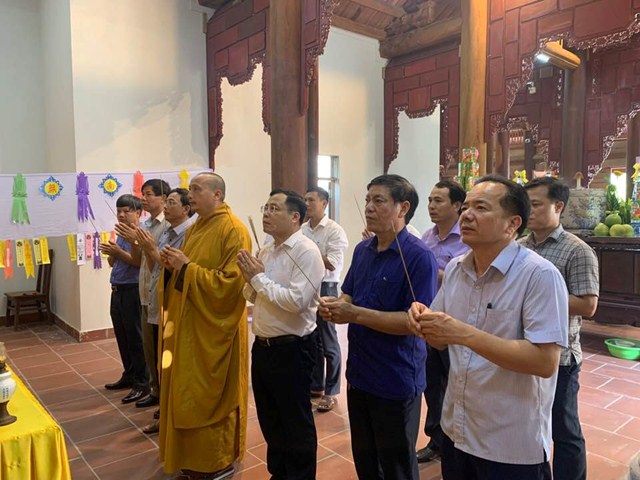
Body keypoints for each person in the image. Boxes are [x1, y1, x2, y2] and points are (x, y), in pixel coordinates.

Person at [409, 175, 569, 480]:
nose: (467, 215)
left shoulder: (539, 275)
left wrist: (461, 333)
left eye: (481, 208)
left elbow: (544, 361)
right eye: (466, 207)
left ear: (512, 224)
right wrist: (422, 319)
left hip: (508, 442)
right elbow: (440, 339)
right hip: (457, 430)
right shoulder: (456, 268)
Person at [319, 174, 438, 480]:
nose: (369, 207)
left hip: (395, 378)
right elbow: (348, 292)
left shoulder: (419, 257)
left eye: (379, 200)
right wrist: (336, 306)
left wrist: (354, 313)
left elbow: (414, 322)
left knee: (397, 466)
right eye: (368, 199)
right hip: (360, 374)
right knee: (366, 459)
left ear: (403, 208)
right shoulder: (363, 250)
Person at [157, 173, 251, 480]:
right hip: (190, 326)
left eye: (196, 190)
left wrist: (185, 267)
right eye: (190, 190)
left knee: (209, 395)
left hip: (215, 331)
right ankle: (188, 457)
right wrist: (172, 266)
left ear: (217, 195)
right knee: (187, 393)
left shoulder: (233, 230)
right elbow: (185, 270)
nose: (190, 195)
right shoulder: (198, 225)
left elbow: (231, 286)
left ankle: (216, 461)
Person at [238, 189, 324, 480]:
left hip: (293, 348)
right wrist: (250, 279)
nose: (266, 213)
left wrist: (258, 278)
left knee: (295, 421)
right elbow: (254, 297)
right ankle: (279, 473)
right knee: (270, 417)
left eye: (275, 208)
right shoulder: (267, 250)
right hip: (263, 346)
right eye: (265, 207)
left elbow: (296, 302)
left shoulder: (306, 251)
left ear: (295, 217)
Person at [520, 177, 599, 480]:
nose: (529, 211)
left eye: (536, 204)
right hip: (524, 349)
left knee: (564, 429)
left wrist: (538, 295)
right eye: (526, 205)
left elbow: (588, 305)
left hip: (561, 356)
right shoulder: (519, 246)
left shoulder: (577, 250)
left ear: (559, 206)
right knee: (529, 424)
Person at [133, 187, 196, 435]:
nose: (166, 207)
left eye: (171, 202)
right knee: (156, 356)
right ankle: (161, 400)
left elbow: (174, 268)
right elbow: (155, 267)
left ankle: (168, 409)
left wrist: (150, 249)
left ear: (186, 208)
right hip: (156, 297)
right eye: (167, 202)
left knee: (169, 360)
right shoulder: (167, 231)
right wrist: (148, 249)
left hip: (174, 303)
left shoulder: (190, 233)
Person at [416, 180, 469, 464]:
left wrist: (428, 270)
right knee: (432, 384)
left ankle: (457, 439)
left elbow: (462, 278)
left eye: (438, 201)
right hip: (429, 320)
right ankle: (436, 439)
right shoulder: (428, 236)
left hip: (455, 323)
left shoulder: (467, 239)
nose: (431, 206)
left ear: (457, 205)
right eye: (430, 200)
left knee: (457, 383)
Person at [116, 178, 170, 407]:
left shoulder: (168, 225)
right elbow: (140, 259)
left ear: (163, 198)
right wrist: (131, 242)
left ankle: (159, 391)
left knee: (159, 348)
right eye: (143, 194)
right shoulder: (146, 226)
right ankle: (154, 389)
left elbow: (160, 261)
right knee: (148, 347)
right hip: (145, 292)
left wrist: (140, 244)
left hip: (160, 293)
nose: (144, 198)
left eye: (148, 194)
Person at [302, 186, 348, 412]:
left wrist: (308, 252)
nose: (307, 204)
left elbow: (333, 263)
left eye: (311, 200)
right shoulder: (302, 229)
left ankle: (331, 390)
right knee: (312, 339)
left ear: (324, 203)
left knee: (329, 341)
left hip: (327, 287)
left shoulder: (334, 230)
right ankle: (316, 385)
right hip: (306, 286)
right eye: (305, 200)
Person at [100, 195, 148, 403]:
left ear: (138, 212)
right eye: (119, 210)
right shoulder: (121, 232)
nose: (121, 214)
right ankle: (129, 374)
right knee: (123, 336)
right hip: (118, 288)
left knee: (136, 338)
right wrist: (112, 252)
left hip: (132, 289)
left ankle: (142, 383)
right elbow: (113, 263)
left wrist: (118, 251)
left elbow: (138, 262)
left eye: (126, 211)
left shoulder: (140, 233)